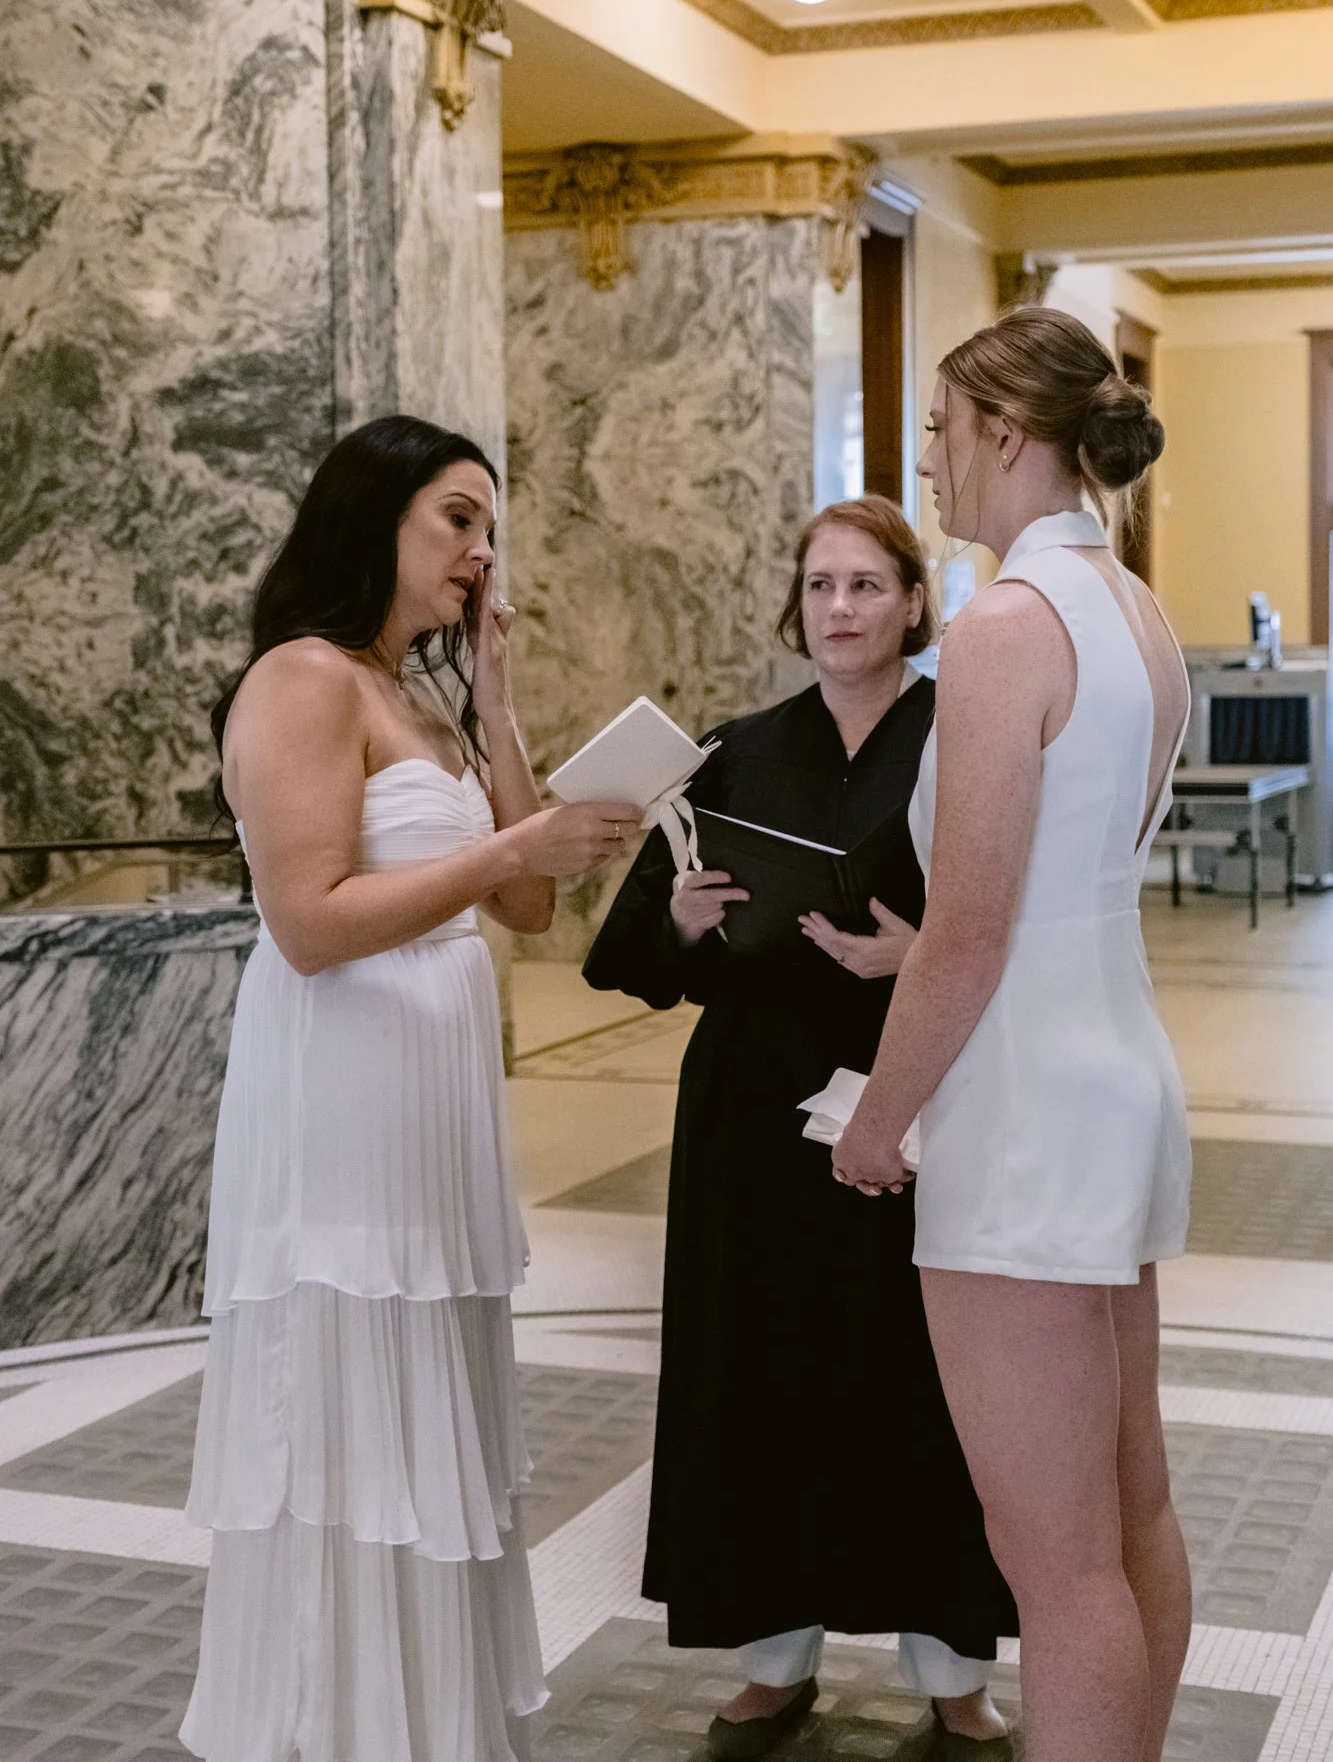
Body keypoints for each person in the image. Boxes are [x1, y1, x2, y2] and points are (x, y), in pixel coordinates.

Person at [180, 416, 640, 1762]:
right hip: (340, 1106)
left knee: (427, 1403)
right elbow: (312, 921)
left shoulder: (420, 698)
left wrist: (498, 708)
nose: (479, 551)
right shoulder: (302, 680)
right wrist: (521, 835)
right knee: (345, 1412)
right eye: (455, 518)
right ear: (371, 519)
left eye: (488, 525)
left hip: (429, 1126)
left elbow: (532, 903)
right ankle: (335, 1728)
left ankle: (424, 1726)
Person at [585, 496, 1017, 1760]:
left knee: (924, 1380)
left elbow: (1023, 919)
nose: (841, 608)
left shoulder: (966, 739)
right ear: (797, 602)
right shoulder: (731, 750)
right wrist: (681, 916)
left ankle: (952, 1671)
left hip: (913, 1090)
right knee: (758, 1372)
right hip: (752, 1109)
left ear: (912, 603)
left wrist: (914, 956)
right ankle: (774, 1660)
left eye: (868, 585)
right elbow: (630, 950)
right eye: (820, 584)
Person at [832, 308, 1193, 1762]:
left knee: (1053, 1556)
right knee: (1130, 1507)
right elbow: (1046, 899)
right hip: (1116, 1066)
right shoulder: (1132, 606)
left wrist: (874, 1121)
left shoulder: (997, 628)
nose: (925, 464)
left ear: (1001, 431)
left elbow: (969, 931)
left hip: (1027, 1110)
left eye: (934, 430)